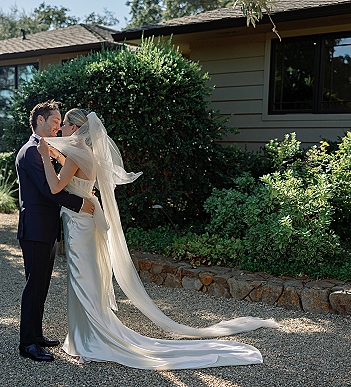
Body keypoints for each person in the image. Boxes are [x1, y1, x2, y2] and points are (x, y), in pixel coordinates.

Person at [37, 108, 279, 369]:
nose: (60, 129)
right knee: (88, 276)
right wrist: (58, 156)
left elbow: (55, 186)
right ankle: (84, 335)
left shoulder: (74, 155)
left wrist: (44, 159)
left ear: (74, 128)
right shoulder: (87, 153)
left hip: (78, 223)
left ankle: (88, 340)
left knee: (80, 278)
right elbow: (74, 169)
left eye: (63, 125)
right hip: (88, 220)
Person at [15, 101, 95, 362]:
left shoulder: (45, 150)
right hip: (35, 228)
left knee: (42, 285)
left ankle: (36, 335)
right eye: (55, 122)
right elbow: (50, 191)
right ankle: (27, 344)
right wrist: (80, 203)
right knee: (34, 286)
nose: (58, 126)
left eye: (61, 122)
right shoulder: (30, 152)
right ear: (40, 120)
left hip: (46, 229)